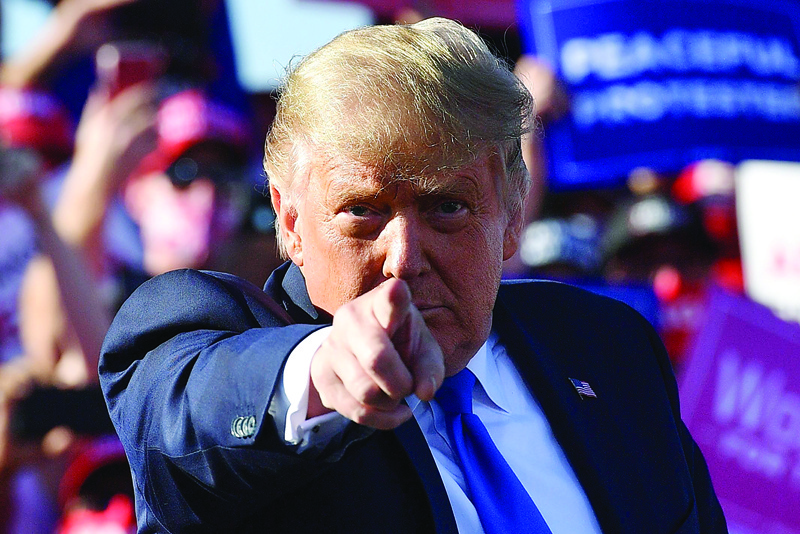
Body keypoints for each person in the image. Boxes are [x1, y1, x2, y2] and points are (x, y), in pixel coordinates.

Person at [99, 17, 727, 533]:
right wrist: (326, 372)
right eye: (363, 211)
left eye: (446, 207)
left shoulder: (607, 345)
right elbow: (192, 410)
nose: (403, 256)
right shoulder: (202, 333)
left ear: (512, 213)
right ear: (289, 219)